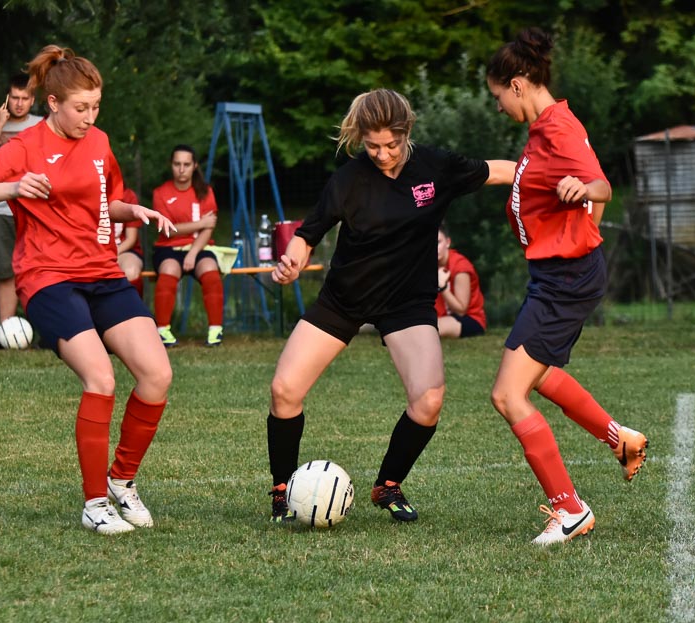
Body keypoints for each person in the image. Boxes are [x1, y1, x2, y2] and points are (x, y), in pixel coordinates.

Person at [0, 45, 178, 535]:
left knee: (157, 374)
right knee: (101, 378)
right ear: (53, 103)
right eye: (81, 108)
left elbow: (108, 201)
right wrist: (15, 187)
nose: (90, 117)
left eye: (96, 106)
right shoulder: (25, 146)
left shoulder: (99, 141)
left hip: (102, 273)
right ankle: (95, 503)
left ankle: (122, 480)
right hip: (48, 278)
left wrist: (136, 211)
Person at [266, 88, 515, 523]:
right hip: (344, 299)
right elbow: (308, 234)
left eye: (391, 144)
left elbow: (502, 171)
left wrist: (559, 174)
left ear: (407, 131)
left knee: (429, 400)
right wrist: (292, 261)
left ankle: (388, 485)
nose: (382, 154)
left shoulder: (435, 166)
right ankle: (283, 490)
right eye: (372, 146)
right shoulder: (348, 180)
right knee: (284, 391)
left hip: (407, 303)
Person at [485, 28, 648, 545]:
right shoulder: (542, 130)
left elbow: (601, 184)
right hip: (555, 277)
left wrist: (586, 189)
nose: (498, 107)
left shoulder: (558, 127)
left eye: (497, 97)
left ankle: (570, 509)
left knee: (508, 394)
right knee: (539, 375)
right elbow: (525, 177)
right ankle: (621, 439)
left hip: (565, 279)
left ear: (517, 84)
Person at [0, 73, 44, 349]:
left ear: (33, 100)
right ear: (7, 97)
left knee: (39, 271)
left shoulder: (42, 125)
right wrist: (0, 124)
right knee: (5, 272)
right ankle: (6, 333)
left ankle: (46, 333)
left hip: (35, 210)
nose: (19, 103)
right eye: (15, 97)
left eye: (25, 98)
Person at [151, 145, 223, 347]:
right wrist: (200, 223)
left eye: (186, 164)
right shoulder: (160, 193)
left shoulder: (205, 192)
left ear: (194, 166)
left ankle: (215, 330)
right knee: (169, 269)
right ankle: (162, 329)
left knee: (210, 269)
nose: (181, 169)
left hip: (199, 247)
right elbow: (167, 230)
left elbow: (209, 228)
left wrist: (192, 253)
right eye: (177, 164)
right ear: (171, 165)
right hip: (168, 248)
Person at [436, 224, 486, 338]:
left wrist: (443, 287)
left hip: (469, 319)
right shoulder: (428, 265)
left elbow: (461, 311)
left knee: (431, 328)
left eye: (438, 242)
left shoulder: (460, 266)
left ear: (448, 242)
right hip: (443, 316)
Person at [116, 186, 146, 296]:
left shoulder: (128, 195)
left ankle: (135, 306)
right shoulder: (86, 193)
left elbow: (131, 239)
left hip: (123, 250)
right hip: (93, 251)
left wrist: (111, 253)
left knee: (131, 270)